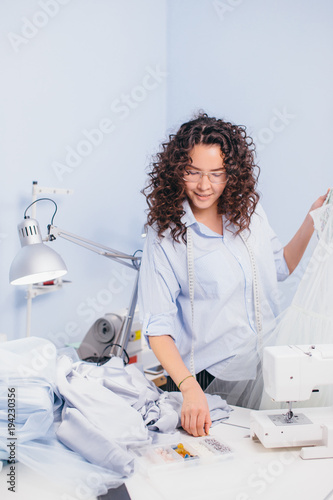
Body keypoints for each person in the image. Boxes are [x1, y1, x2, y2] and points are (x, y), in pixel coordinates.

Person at [138, 113, 327, 438]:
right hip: (206, 378)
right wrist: (188, 388)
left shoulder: (249, 215)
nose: (204, 185)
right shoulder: (165, 236)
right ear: (176, 171)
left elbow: (280, 267)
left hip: (262, 367)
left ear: (232, 173)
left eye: (216, 174)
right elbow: (158, 326)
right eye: (193, 172)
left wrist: (314, 219)